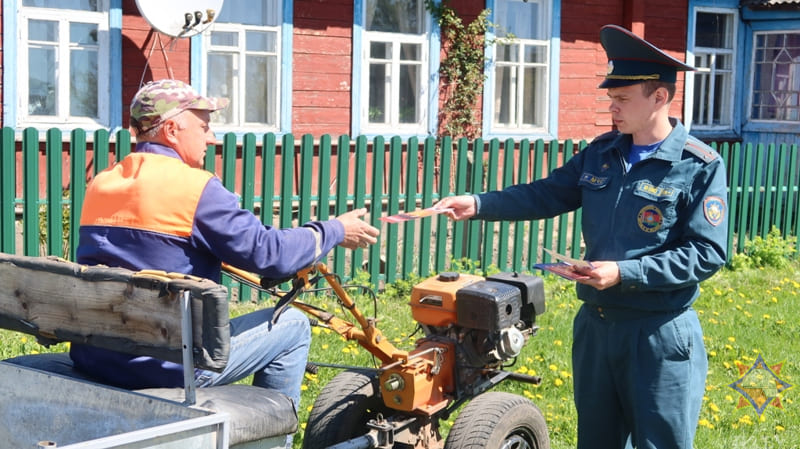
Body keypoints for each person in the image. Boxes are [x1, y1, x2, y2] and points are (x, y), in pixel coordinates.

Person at [436, 25, 728, 449]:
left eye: (623, 99)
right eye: (611, 98)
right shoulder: (602, 152)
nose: (613, 108)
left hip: (658, 333)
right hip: (596, 327)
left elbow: (706, 253)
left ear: (659, 97)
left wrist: (624, 272)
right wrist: (479, 203)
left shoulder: (699, 165)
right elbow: (546, 193)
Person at [70, 79, 380, 416]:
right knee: (293, 325)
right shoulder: (194, 188)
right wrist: (335, 229)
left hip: (98, 356)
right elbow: (270, 255)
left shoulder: (103, 182)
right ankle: (270, 436)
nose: (211, 138)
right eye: (204, 127)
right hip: (168, 367)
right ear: (172, 129)